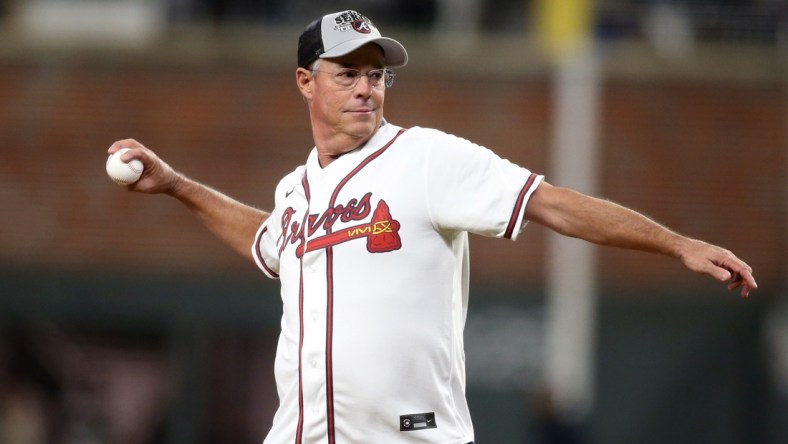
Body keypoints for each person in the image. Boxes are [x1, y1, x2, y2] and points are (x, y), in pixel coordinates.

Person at [106, 10, 757, 444]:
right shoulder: (296, 191)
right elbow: (266, 240)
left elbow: (550, 203)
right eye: (347, 73)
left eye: (375, 73)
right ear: (306, 81)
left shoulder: (426, 157)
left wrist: (678, 244)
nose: (367, 88)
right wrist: (177, 186)